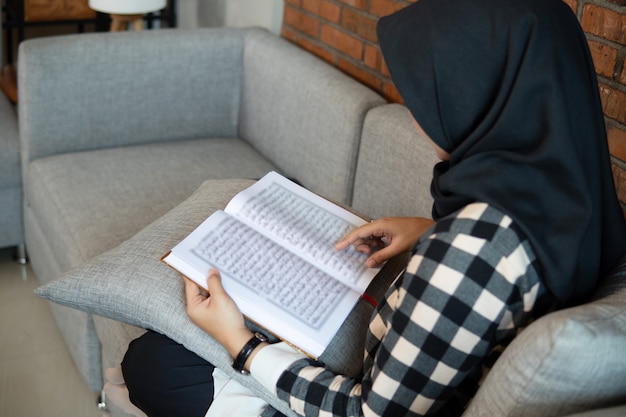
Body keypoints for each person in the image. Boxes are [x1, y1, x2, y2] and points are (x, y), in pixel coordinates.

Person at [120, 0, 626, 416]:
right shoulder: (572, 184)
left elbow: (369, 414)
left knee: (153, 365)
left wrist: (243, 345)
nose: (416, 117)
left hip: (372, 395)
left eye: (427, 99)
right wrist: (431, 229)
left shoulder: (473, 249)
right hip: (423, 364)